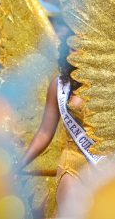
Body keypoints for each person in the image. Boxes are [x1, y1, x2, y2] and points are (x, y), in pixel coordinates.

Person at [18, 26, 95, 211]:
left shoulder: (108, 83)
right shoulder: (60, 86)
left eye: (82, 46)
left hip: (105, 164)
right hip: (73, 164)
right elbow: (45, 132)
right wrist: (21, 163)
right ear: (66, 51)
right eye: (72, 47)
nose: (77, 51)